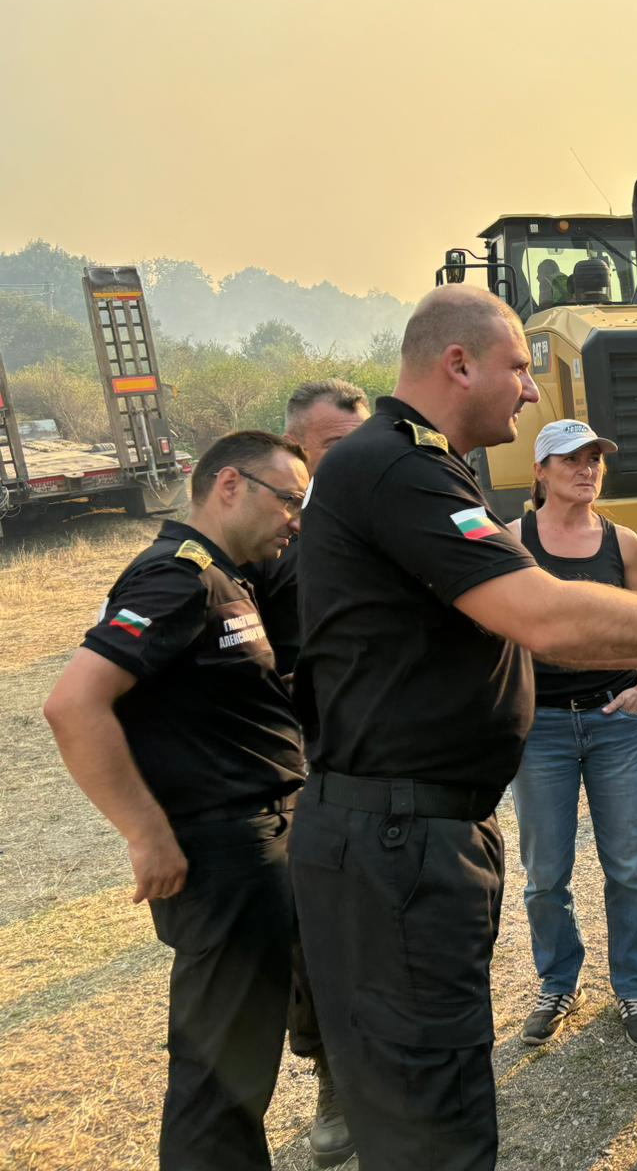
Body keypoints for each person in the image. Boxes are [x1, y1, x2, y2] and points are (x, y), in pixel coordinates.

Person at [290, 285, 637, 1171]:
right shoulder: (398, 466)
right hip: (394, 837)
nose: (533, 389)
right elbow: (546, 617)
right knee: (433, 1118)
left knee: (439, 1098)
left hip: (414, 827)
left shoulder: (418, 467)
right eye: (520, 368)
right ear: (457, 364)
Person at [43, 431, 309, 1170]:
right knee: (219, 1074)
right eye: (288, 499)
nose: (295, 517)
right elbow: (74, 705)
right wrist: (145, 833)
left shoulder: (227, 576)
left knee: (241, 1065)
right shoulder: (177, 577)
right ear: (229, 485)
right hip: (222, 852)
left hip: (257, 842)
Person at [243, 379, 369, 1167]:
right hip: (294, 771)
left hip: (372, 759)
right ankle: (332, 1076)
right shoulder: (265, 544)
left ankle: (387, 1066)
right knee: (308, 936)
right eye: (332, 451)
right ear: (295, 451)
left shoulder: (385, 513)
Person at [511, 419, 637, 1050]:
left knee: (628, 866)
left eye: (596, 457)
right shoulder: (511, 540)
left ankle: (634, 987)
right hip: (540, 729)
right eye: (571, 459)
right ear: (541, 471)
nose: (587, 469)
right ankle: (558, 983)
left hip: (614, 722)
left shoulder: (622, 543)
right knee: (545, 872)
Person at [250, 379, 370, 678]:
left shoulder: (399, 517)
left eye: (363, 442)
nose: (355, 456)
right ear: (294, 446)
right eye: (335, 445)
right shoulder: (266, 536)